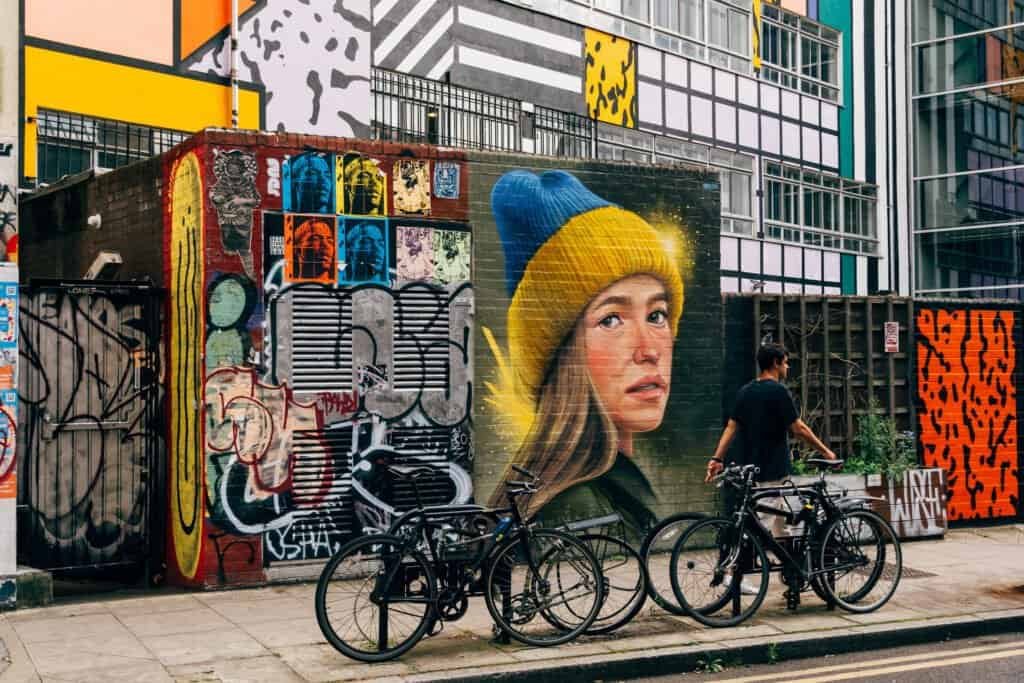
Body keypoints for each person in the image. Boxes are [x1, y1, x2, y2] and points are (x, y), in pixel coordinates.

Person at [486, 169, 685, 537]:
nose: (648, 351)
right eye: (611, 320)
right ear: (561, 353)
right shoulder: (579, 506)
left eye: (656, 315)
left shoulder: (615, 484)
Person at [706, 343, 836, 536]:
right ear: (776, 363)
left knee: (780, 519)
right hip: (773, 468)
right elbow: (798, 428)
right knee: (764, 522)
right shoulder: (778, 391)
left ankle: (788, 564)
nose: (787, 367)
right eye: (785, 363)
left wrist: (717, 459)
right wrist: (825, 451)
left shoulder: (746, 391)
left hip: (751, 467)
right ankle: (739, 563)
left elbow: (731, 428)